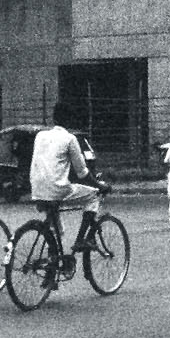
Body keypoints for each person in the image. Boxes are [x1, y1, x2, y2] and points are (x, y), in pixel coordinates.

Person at [31, 102, 102, 253]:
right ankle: (81, 239)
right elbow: (83, 173)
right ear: (70, 120)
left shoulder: (40, 136)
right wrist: (100, 186)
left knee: (57, 231)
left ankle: (53, 264)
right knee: (93, 196)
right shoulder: (69, 139)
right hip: (57, 190)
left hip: (37, 191)